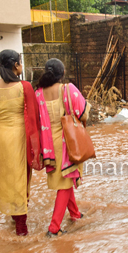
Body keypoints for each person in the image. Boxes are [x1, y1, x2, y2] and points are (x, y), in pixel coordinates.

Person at [0, 49, 41, 236]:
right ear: (15, 65)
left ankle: (13, 216)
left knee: (4, 177)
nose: (21, 66)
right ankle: (21, 227)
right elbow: (34, 117)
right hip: (18, 137)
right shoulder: (24, 86)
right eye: (20, 62)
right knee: (20, 177)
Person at [35, 59, 90, 237]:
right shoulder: (68, 89)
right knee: (65, 185)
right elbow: (83, 113)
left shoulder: (38, 94)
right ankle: (54, 228)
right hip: (66, 144)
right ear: (62, 73)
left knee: (64, 180)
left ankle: (75, 214)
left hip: (48, 145)